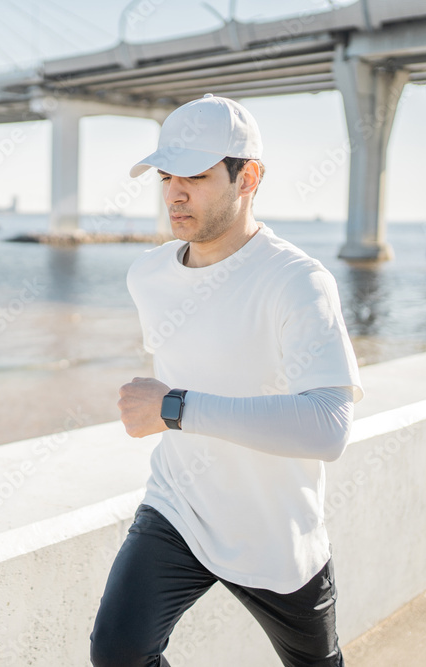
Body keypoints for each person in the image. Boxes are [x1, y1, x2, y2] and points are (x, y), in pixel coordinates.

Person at [89, 94, 364, 667]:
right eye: (167, 176)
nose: (174, 193)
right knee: (117, 655)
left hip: (276, 535)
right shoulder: (149, 276)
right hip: (178, 511)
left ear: (249, 178)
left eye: (195, 175)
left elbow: (328, 426)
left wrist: (175, 408)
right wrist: (174, 406)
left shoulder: (297, 282)